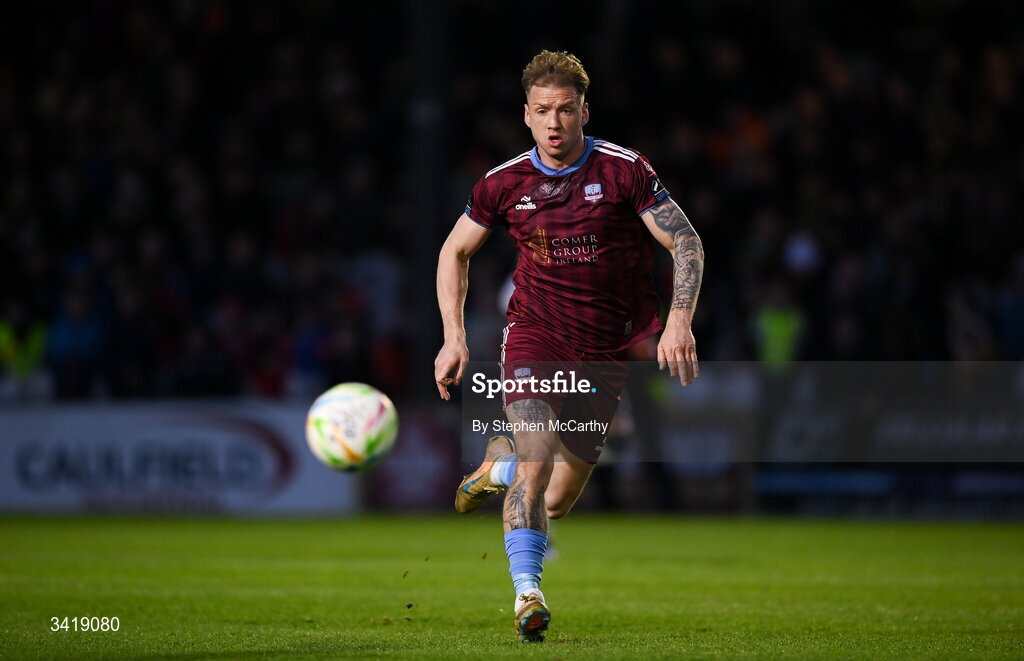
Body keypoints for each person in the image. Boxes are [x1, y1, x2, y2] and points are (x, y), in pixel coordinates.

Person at [434, 50, 703, 642]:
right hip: (537, 335)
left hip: (605, 353)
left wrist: (679, 319)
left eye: (565, 109)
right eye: (542, 111)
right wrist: (454, 337)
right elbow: (454, 251)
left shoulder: (624, 171)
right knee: (536, 453)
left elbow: (685, 241)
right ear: (526, 116)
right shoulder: (502, 183)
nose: (554, 122)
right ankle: (528, 593)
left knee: (554, 501)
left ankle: (498, 462)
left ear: (585, 110)